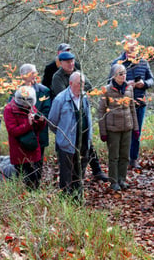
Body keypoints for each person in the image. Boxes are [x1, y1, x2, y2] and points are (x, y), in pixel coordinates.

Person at [49, 49, 109, 182]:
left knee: (85, 155)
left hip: (82, 130)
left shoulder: (78, 74)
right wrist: (63, 132)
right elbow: (53, 121)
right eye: (68, 62)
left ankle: (94, 174)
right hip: (67, 125)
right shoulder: (57, 78)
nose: (71, 64)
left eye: (72, 61)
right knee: (67, 167)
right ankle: (66, 194)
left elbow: (89, 86)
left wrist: (79, 87)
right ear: (61, 63)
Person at [110, 36, 154, 169]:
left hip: (140, 103)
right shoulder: (117, 63)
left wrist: (144, 83)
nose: (132, 49)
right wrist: (125, 85)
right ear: (125, 47)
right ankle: (122, 159)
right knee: (122, 133)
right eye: (129, 46)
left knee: (136, 132)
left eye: (134, 46)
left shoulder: (143, 62)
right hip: (123, 103)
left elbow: (152, 80)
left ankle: (133, 159)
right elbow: (109, 84)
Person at [48, 72, 93, 200]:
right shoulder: (60, 99)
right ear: (71, 83)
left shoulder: (85, 98)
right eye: (79, 83)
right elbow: (52, 122)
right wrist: (64, 135)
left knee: (79, 173)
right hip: (66, 144)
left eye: (83, 83)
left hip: (83, 142)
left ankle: (77, 199)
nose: (82, 86)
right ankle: (65, 201)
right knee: (66, 175)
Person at [99, 64, 139, 191]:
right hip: (113, 129)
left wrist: (136, 128)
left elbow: (132, 109)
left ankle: (122, 179)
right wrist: (103, 131)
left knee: (125, 156)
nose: (123, 76)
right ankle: (113, 182)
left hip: (127, 127)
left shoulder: (129, 89)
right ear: (113, 76)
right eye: (120, 74)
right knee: (114, 157)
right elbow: (101, 112)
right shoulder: (106, 90)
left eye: (124, 73)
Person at [3, 85, 46, 189]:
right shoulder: (9, 109)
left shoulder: (32, 107)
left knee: (35, 178)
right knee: (25, 180)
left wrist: (41, 122)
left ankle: (35, 198)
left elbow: (38, 129)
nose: (28, 105)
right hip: (20, 151)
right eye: (25, 102)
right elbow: (12, 131)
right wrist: (28, 124)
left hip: (33, 147)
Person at [19, 63, 52, 180]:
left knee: (38, 163)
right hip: (22, 133)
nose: (35, 76)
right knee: (24, 164)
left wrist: (35, 118)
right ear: (23, 75)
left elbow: (47, 111)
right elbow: (12, 110)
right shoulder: (16, 91)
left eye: (35, 73)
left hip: (39, 132)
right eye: (31, 73)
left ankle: (36, 187)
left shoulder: (44, 91)